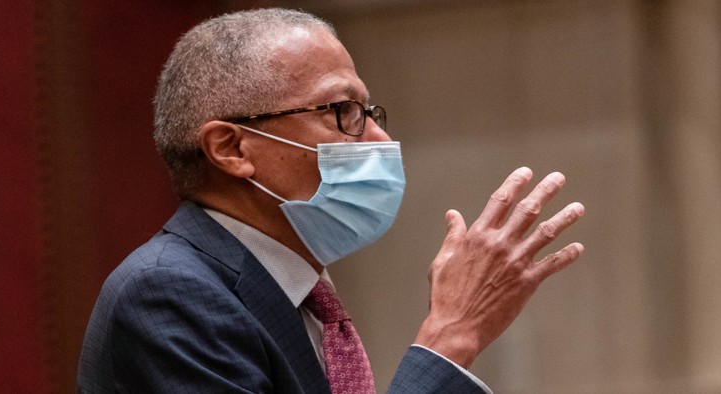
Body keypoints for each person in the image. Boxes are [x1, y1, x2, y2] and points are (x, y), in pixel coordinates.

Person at [77, 8, 585, 394]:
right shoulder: (168, 295)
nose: (381, 141)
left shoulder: (300, 292)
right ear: (232, 149)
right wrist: (451, 337)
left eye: (369, 110)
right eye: (343, 111)